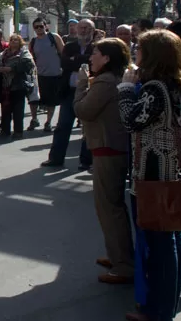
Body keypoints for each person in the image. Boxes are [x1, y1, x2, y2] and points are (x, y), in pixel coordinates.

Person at [117, 29, 181, 321]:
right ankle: (163, 307)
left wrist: (125, 88)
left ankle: (159, 312)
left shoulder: (155, 87)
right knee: (170, 241)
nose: (135, 51)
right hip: (170, 171)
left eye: (140, 48)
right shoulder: (176, 84)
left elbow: (130, 120)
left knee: (161, 246)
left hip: (155, 174)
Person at [73, 38, 135, 285]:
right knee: (112, 206)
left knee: (109, 208)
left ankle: (123, 264)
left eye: (95, 53)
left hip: (108, 149)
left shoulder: (105, 81)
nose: (91, 58)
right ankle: (119, 256)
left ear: (107, 58)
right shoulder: (113, 79)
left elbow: (84, 110)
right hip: (112, 148)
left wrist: (80, 85)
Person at [42, 19, 95, 170]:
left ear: (93, 30)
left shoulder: (97, 47)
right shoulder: (70, 46)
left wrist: (76, 60)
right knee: (63, 126)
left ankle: (86, 161)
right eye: (81, 28)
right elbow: (64, 64)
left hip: (89, 92)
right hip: (69, 91)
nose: (83, 31)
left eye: (87, 28)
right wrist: (81, 61)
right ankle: (56, 158)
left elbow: (92, 66)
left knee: (87, 128)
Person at [0, 35, 35, 140]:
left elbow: (28, 65)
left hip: (18, 84)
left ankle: (18, 131)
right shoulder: (4, 53)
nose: (13, 42)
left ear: (20, 42)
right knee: (5, 109)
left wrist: (11, 68)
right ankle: (5, 130)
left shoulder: (24, 53)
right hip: (5, 85)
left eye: (16, 40)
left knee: (18, 110)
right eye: (12, 40)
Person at [29, 18, 65, 132]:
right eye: (36, 27)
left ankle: (48, 122)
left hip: (54, 74)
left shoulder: (53, 37)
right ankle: (34, 119)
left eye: (41, 26)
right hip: (39, 75)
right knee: (34, 99)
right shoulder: (33, 41)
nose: (39, 29)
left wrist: (64, 68)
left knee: (51, 100)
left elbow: (63, 53)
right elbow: (30, 58)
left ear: (45, 26)